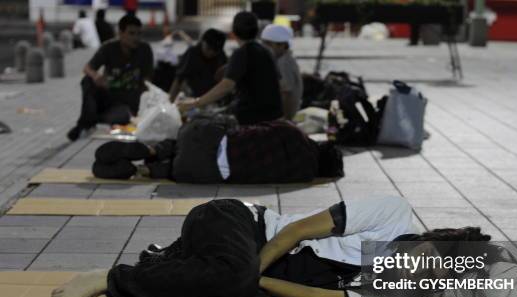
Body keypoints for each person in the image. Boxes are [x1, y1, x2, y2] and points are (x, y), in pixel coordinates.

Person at [45, 196, 419, 297]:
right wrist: (242, 276)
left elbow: (313, 296)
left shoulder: (399, 286)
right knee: (235, 280)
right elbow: (295, 233)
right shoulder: (394, 214)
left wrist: (247, 283)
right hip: (236, 222)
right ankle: (111, 278)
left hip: (237, 271)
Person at [91, 118, 342, 183]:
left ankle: (150, 149)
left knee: (176, 144)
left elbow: (256, 127)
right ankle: (143, 170)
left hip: (204, 139)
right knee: (172, 169)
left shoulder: (292, 131)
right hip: (203, 171)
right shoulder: (303, 175)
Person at [176, 12, 283, 125]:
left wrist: (196, 102)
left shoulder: (242, 53)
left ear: (234, 32)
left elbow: (226, 86)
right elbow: (277, 82)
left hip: (253, 118)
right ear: (257, 31)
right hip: (274, 115)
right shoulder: (266, 51)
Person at [66, 14, 153, 141]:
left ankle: (86, 122)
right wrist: (97, 77)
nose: (136, 38)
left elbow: (148, 81)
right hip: (109, 96)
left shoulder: (144, 50)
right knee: (87, 81)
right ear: (121, 33)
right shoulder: (109, 47)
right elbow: (87, 68)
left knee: (122, 117)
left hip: (129, 101)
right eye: (131, 33)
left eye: (139, 34)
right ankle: (88, 120)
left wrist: (146, 106)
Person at [168, 29, 228, 103]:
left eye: (215, 51)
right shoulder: (192, 53)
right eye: (208, 49)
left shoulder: (221, 55)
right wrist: (170, 102)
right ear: (202, 42)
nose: (211, 53)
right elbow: (178, 80)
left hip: (214, 98)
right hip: (193, 97)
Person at [261, 24, 303, 120]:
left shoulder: (283, 63)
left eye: (268, 44)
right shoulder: (282, 60)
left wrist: (284, 119)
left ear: (282, 45)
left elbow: (286, 93)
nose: (265, 48)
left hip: (282, 118)